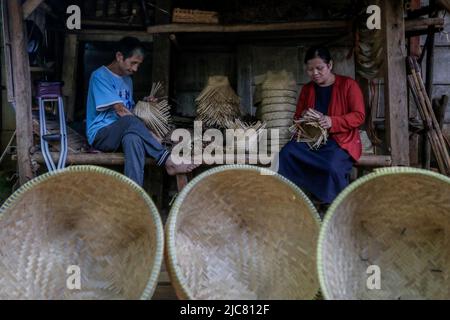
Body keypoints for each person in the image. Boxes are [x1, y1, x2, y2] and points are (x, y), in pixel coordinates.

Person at [86, 37, 197, 186]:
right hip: (101, 135)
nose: (135, 69)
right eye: (133, 63)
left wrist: (144, 103)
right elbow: (121, 111)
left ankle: (134, 193)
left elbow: (128, 109)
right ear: (119, 57)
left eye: (138, 65)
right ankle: (167, 159)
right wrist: (150, 134)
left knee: (133, 138)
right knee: (130, 122)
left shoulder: (127, 80)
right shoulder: (100, 76)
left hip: (123, 132)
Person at [277, 46, 365, 207]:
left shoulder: (348, 85)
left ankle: (332, 203)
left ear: (330, 65)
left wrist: (332, 121)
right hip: (311, 139)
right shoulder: (307, 89)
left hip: (339, 140)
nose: (315, 73)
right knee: (286, 154)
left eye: (320, 68)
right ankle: (293, 198)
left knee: (332, 166)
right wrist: (304, 117)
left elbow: (359, 116)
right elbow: (297, 116)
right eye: (310, 70)